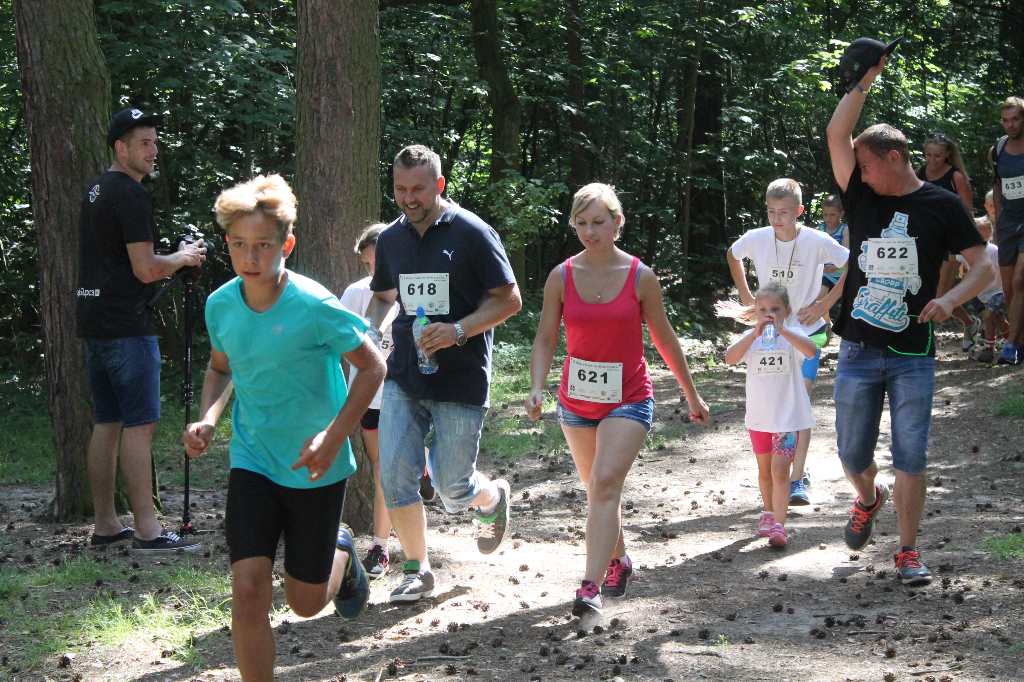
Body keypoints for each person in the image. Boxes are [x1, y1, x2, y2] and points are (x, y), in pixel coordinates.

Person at [183, 175, 385, 682]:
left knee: (305, 604)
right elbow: (223, 367)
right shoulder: (221, 305)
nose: (250, 256)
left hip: (316, 463)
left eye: (264, 245)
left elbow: (373, 366)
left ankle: (341, 551)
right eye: (239, 245)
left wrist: (333, 437)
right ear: (227, 243)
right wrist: (208, 417)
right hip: (252, 457)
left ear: (286, 245)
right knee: (248, 589)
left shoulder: (315, 305)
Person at [825, 52, 995, 586]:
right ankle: (867, 497)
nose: (860, 173)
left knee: (910, 454)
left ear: (894, 158)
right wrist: (864, 80)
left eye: (868, 163)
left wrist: (951, 300)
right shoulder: (861, 195)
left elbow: (985, 266)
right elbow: (837, 132)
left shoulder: (943, 206)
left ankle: (906, 551)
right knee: (853, 455)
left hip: (913, 353)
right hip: (856, 348)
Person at [525, 183, 709, 617]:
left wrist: (691, 393)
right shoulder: (561, 276)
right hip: (575, 400)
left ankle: (589, 588)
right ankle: (619, 560)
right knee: (599, 491)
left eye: (599, 222)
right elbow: (546, 337)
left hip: (627, 398)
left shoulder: (641, 276)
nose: (590, 232)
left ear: (617, 222)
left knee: (605, 484)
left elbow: (664, 339)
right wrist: (536, 385)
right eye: (582, 223)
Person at [365, 145, 522, 603]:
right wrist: (370, 330)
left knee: (454, 488)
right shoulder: (391, 238)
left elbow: (509, 299)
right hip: (405, 375)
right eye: (400, 189)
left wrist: (458, 330)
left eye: (419, 189)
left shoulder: (473, 232)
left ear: (440, 185)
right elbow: (382, 295)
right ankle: (417, 568)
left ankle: (491, 497)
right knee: (394, 473)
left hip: (460, 376)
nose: (409, 198)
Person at [77, 108, 206, 553]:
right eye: (144, 143)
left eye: (155, 141)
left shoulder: (95, 189)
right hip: (127, 327)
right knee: (140, 425)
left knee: (106, 423)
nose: (154, 151)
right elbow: (147, 269)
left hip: (94, 322)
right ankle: (149, 531)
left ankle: (107, 524)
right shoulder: (129, 194)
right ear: (121, 148)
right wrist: (185, 257)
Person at [727, 179, 850, 507]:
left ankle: (797, 477)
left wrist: (826, 305)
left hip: (807, 331)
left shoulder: (816, 240)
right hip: (769, 332)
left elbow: (852, 263)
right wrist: (748, 298)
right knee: (774, 399)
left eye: (784, 212)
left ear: (798, 211)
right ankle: (777, 476)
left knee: (799, 398)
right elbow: (733, 254)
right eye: (771, 211)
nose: (777, 218)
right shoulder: (758, 238)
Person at [723, 282, 817, 549]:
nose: (769, 314)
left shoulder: (793, 336)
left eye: (775, 309)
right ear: (755, 312)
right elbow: (730, 358)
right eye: (762, 309)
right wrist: (752, 335)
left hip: (787, 419)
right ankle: (767, 511)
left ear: (787, 310)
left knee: (779, 471)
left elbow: (811, 351)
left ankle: (780, 524)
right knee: (765, 472)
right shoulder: (751, 340)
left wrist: (784, 331)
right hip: (760, 419)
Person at [339, 224, 401, 579]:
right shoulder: (356, 294)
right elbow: (343, 344)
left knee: (391, 468)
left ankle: (380, 542)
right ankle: (380, 547)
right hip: (372, 397)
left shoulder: (413, 286)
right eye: (366, 264)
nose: (374, 270)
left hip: (407, 391)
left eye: (379, 260)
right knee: (382, 468)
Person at [920, 134, 982, 352]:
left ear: (947, 154)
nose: (932, 160)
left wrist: (965, 251)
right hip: (925, 242)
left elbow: (968, 214)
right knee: (922, 292)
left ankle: (969, 324)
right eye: (928, 155)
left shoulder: (956, 177)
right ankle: (970, 323)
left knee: (941, 296)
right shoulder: (919, 174)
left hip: (950, 244)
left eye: (937, 156)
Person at [989, 97, 1024, 365]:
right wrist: (998, 224)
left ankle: (1010, 346)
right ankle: (1021, 344)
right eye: (1006, 120)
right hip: (1009, 223)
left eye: (1016, 119)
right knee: (1010, 291)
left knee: (1020, 280)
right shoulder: (998, 150)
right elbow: (999, 186)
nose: (1010, 125)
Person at [957, 217, 1010, 363]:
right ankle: (1014, 343)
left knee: (988, 317)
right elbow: (957, 258)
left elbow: (1006, 265)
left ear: (986, 236)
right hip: (984, 293)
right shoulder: (968, 251)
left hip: (998, 290)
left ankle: (988, 351)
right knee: (1000, 321)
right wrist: (961, 266)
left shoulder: (994, 251)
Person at [817, 194, 850, 331]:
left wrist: (838, 267)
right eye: (825, 215)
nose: (828, 218)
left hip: (842, 272)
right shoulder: (819, 230)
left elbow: (847, 251)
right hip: (825, 272)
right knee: (820, 295)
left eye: (832, 215)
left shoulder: (844, 230)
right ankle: (826, 324)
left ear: (841, 213)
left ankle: (844, 328)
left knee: (847, 303)